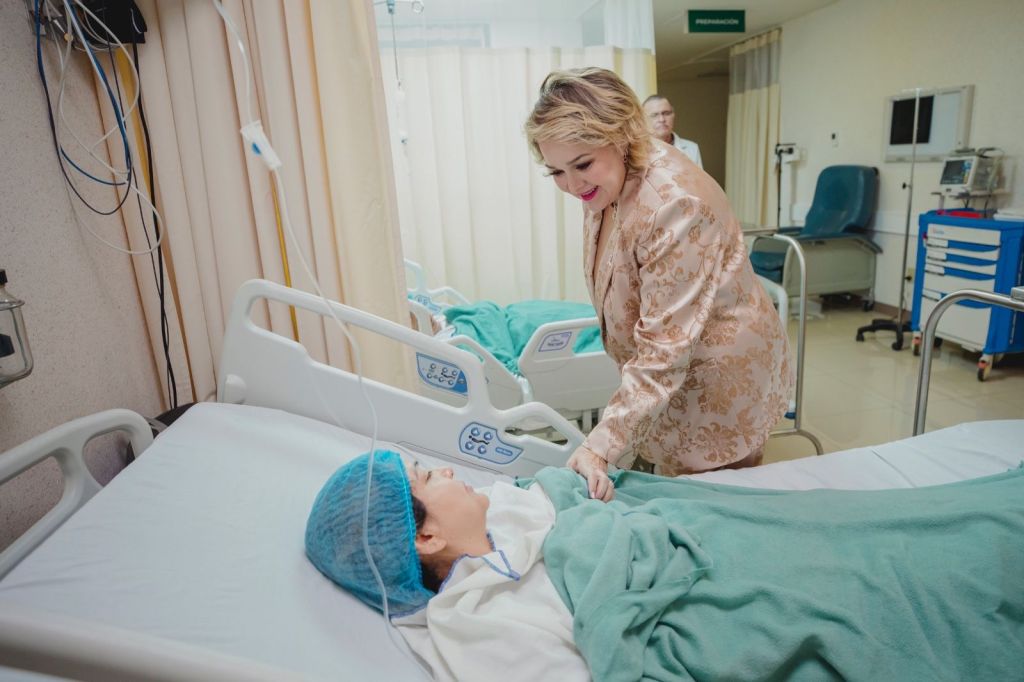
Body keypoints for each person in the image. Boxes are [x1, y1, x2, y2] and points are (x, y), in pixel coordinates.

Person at [305, 451, 1024, 682]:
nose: (447, 472)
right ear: (426, 537)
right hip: (704, 597)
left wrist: (583, 486)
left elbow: (579, 499)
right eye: (428, 478)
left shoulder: (508, 504)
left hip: (714, 535)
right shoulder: (477, 619)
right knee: (907, 577)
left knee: (853, 528)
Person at [524, 68, 792, 497]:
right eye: (555, 172)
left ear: (621, 136)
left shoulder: (675, 205)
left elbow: (666, 348)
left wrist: (600, 447)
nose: (571, 185)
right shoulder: (604, 183)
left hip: (719, 387)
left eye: (582, 164)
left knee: (711, 506)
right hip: (670, 384)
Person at [642, 94, 703, 168]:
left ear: (673, 115)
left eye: (666, 113)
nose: (662, 119)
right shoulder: (636, 151)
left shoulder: (692, 149)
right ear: (643, 119)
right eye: (654, 115)